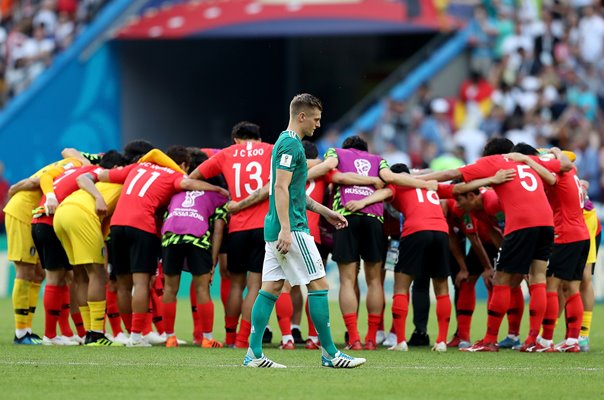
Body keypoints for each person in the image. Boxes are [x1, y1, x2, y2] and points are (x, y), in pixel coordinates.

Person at [243, 93, 365, 368]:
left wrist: (326, 212)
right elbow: (279, 188)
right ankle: (331, 354)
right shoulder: (290, 146)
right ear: (302, 116)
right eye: (316, 118)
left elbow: (296, 193)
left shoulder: (285, 143)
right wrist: (287, 228)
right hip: (292, 229)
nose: (318, 125)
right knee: (320, 285)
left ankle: (253, 354)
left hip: (277, 226)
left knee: (271, 288)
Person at [419, 138, 571, 352]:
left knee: (501, 279)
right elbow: (565, 165)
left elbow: (450, 175)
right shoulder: (526, 162)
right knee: (538, 278)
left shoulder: (494, 162)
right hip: (546, 223)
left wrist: (420, 179)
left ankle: (490, 340)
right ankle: (534, 340)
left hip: (521, 224)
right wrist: (555, 150)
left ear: (489, 153)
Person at [87, 146, 228, 347]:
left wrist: (89, 178)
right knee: (142, 283)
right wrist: (217, 189)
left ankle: (132, 336)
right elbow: (187, 183)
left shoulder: (137, 167)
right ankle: (138, 336)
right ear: (182, 164)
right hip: (143, 226)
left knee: (122, 286)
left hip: (117, 225)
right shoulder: (173, 175)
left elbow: (104, 175)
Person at [190, 122, 273, 348]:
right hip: (263, 227)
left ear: (236, 139)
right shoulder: (271, 150)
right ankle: (243, 340)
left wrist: (218, 190)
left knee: (236, 284)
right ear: (259, 137)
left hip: (237, 228)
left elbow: (192, 177)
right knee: (255, 285)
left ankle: (229, 337)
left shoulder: (227, 153)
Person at [4, 155, 88, 344]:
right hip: (23, 212)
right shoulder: (79, 168)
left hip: (36, 215)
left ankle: (35, 330)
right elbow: (36, 180)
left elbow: (67, 150)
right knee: (25, 271)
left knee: (40, 273)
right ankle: (21, 333)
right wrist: (14, 189)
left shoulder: (73, 162)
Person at [53, 151, 128, 346]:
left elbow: (105, 223)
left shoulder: (100, 179)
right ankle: (96, 333)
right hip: (82, 216)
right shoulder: (121, 184)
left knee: (80, 275)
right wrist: (98, 198)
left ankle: (88, 332)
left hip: (62, 214)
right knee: (97, 274)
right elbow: (82, 179)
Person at [160, 149, 228, 348]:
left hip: (170, 236)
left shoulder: (176, 190)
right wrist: (212, 262)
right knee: (202, 288)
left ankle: (170, 337)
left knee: (170, 289)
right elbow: (217, 231)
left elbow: (166, 216)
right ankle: (207, 337)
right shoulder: (218, 195)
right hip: (198, 238)